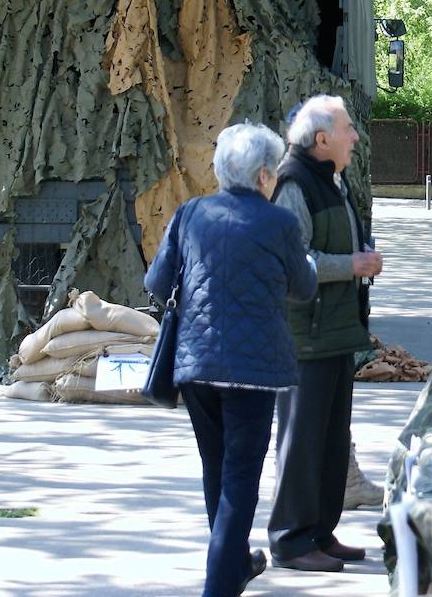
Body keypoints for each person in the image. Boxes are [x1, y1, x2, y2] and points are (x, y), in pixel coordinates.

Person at [144, 122, 316, 597]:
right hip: (253, 371)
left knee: (215, 469)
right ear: (264, 176)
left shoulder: (189, 213)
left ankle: (236, 563)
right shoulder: (279, 222)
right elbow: (303, 289)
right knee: (240, 479)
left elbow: (156, 283)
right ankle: (219, 586)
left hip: (196, 363)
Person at [268, 95, 382, 573]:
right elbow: (293, 262)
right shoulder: (294, 183)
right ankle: (291, 541)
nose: (355, 136)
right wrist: (351, 265)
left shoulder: (330, 179)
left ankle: (320, 531)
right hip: (305, 336)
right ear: (321, 139)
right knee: (302, 440)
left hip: (335, 332)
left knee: (332, 440)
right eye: (348, 128)